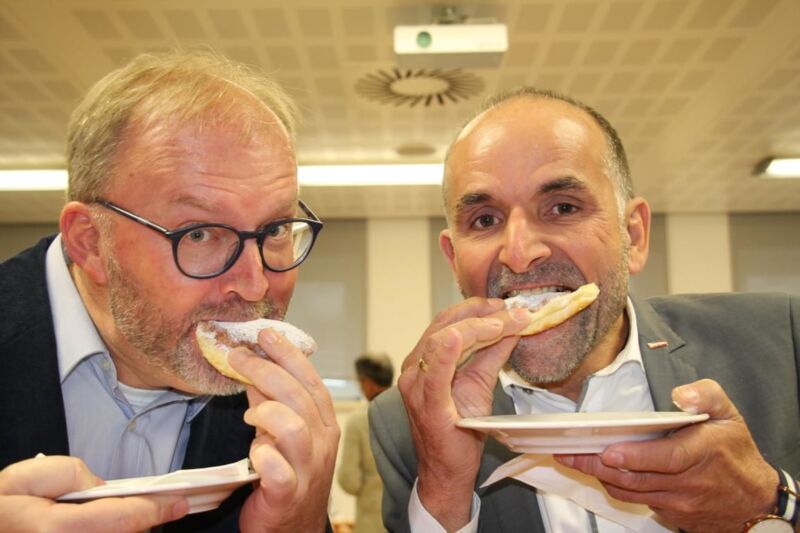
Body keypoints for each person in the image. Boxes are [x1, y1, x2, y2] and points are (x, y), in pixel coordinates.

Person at [369, 87, 800, 533]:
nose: (519, 253)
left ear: (634, 235)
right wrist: (445, 487)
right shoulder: (407, 425)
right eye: (485, 220)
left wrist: (772, 500)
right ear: (453, 258)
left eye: (562, 208)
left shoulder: (782, 343)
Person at [0, 49, 339, 532]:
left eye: (276, 229)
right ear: (91, 242)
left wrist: (298, 524)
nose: (255, 285)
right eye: (199, 234)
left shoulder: (274, 413)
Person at [338, 352, 394, 533]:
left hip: (372, 521)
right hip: (407, 519)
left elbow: (350, 481)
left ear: (367, 382)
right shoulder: (410, 413)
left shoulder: (359, 420)